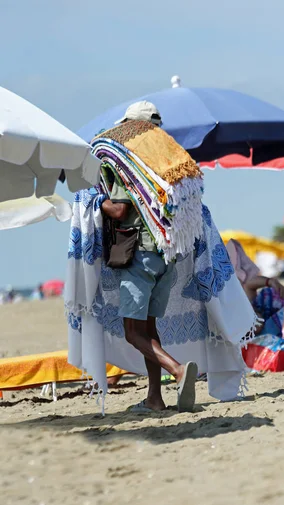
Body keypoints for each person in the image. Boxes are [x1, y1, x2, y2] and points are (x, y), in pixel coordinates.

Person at [100, 101, 198, 412]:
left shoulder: (130, 162)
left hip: (139, 254)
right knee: (149, 330)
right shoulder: (165, 161)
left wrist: (96, 201)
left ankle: (177, 370)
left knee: (132, 333)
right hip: (165, 256)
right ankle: (155, 398)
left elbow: (120, 209)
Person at [227, 239, 284, 370]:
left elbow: (251, 283)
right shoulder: (234, 291)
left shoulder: (237, 289)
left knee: (269, 346)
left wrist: (271, 282)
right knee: (266, 348)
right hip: (245, 342)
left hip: (253, 339)